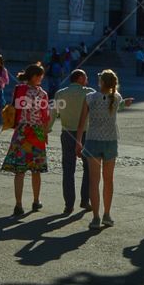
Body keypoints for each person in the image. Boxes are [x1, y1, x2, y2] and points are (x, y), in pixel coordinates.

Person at [75, 69, 133, 229]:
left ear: (101, 82)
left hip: (93, 141)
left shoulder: (90, 98)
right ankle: (107, 214)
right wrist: (124, 103)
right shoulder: (117, 97)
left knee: (94, 181)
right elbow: (115, 105)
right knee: (109, 180)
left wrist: (78, 141)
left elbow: (81, 123)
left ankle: (95, 217)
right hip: (110, 141)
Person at [2, 63, 50, 216]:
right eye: (40, 76)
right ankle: (36, 201)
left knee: (19, 171)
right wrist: (45, 133)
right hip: (36, 132)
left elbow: (14, 107)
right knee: (36, 170)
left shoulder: (19, 89)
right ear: (35, 76)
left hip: (21, 131)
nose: (41, 78)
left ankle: (18, 204)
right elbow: (45, 117)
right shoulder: (43, 94)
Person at [50, 69, 94, 214]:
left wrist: (47, 129)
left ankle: (69, 204)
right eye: (86, 76)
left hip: (67, 133)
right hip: (86, 134)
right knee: (88, 169)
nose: (87, 79)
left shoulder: (61, 93)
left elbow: (53, 112)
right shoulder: (89, 93)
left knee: (68, 169)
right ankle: (85, 200)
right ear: (80, 78)